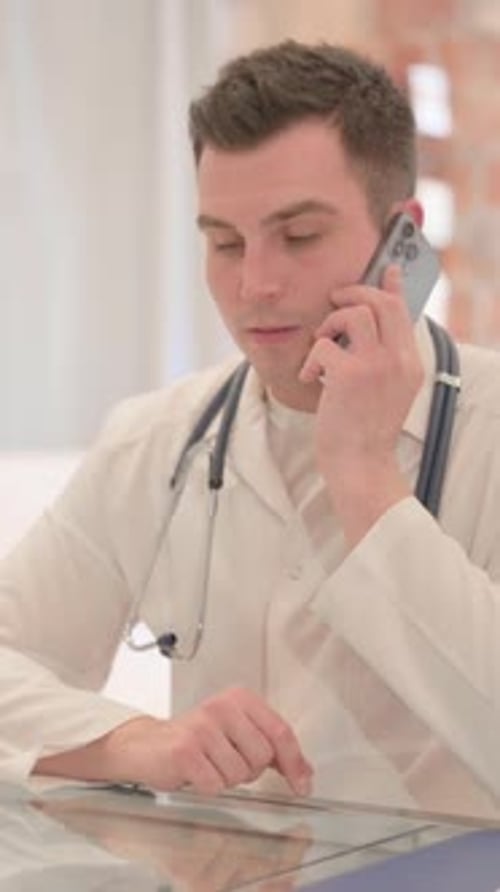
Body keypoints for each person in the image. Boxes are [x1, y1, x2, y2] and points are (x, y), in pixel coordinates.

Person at [1, 39, 500, 816]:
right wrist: (135, 741)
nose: (254, 285)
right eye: (224, 242)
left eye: (299, 236)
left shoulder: (489, 433)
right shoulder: (158, 441)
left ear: (403, 236)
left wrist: (364, 476)